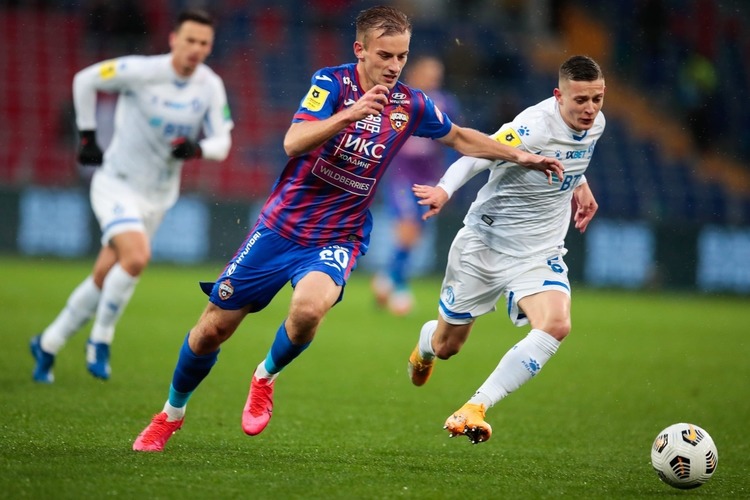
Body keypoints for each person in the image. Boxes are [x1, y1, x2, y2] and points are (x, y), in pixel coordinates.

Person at [131, 5, 564, 452]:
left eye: (402, 56)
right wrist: (348, 115)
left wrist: (519, 155)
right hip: (281, 226)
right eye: (385, 55)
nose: (394, 66)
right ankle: (170, 415)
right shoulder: (331, 84)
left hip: (339, 234)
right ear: (360, 50)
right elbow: (293, 142)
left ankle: (264, 376)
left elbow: (458, 136)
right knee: (211, 331)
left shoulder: (410, 104)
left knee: (307, 311)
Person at [407, 55, 605, 444]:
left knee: (556, 324)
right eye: (580, 100)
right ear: (558, 96)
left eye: (597, 99)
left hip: (540, 250)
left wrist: (580, 186)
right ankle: (426, 345)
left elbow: (573, 156)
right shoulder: (533, 126)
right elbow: (475, 155)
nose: (590, 109)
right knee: (448, 346)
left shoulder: (596, 124)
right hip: (486, 244)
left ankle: (476, 406)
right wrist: (444, 190)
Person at [30, 9, 233, 383]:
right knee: (137, 257)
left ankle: (47, 343)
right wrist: (87, 136)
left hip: (159, 195)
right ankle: (100, 339)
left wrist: (197, 148)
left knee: (105, 274)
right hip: (117, 183)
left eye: (204, 43)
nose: (196, 48)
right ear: (173, 39)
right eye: (190, 40)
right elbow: (85, 80)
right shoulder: (141, 71)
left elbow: (223, 142)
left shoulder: (209, 85)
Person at [371, 55, 462, 316]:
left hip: (429, 178)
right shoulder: (397, 98)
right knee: (408, 228)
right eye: (429, 73)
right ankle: (398, 286)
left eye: (437, 74)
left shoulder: (445, 103)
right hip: (401, 177)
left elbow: (455, 141)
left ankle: (388, 276)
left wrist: (449, 181)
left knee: (415, 232)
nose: (434, 78)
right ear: (414, 74)